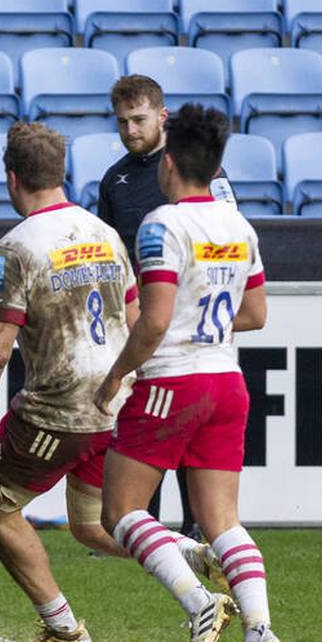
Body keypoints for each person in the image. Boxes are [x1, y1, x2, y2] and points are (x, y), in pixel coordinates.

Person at [0, 122, 225, 642]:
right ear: (61, 173)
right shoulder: (105, 233)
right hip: (119, 399)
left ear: (11, 178)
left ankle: (62, 629)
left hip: (59, 408)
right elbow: (135, 319)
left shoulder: (12, 250)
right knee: (94, 525)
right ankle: (192, 554)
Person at [94, 104, 285, 642]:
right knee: (223, 519)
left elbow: (151, 323)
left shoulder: (161, 224)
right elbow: (255, 314)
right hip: (228, 382)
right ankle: (260, 630)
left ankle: (202, 605)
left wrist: (114, 376)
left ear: (169, 162)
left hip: (173, 381)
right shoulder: (238, 225)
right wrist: (206, 320)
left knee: (120, 512)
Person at [97, 74, 229, 535]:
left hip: (187, 322)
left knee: (191, 431)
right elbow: (108, 255)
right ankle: (141, 528)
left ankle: (196, 526)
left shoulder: (202, 173)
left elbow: (225, 236)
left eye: (139, 119)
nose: (130, 130)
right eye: (122, 122)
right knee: (139, 426)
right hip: (139, 318)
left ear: (162, 116)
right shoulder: (114, 180)